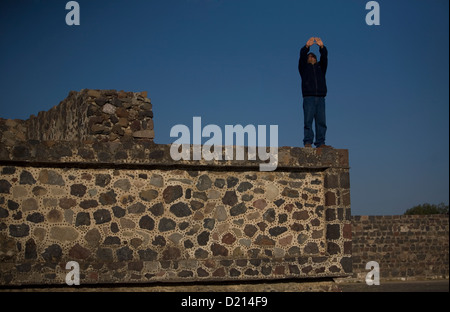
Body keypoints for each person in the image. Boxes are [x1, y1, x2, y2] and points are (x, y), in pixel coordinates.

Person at [298, 37, 332, 148]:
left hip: (321, 97)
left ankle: (321, 143)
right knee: (308, 121)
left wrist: (322, 47)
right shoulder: (304, 68)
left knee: (321, 121)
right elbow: (302, 56)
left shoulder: (321, 68)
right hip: (308, 97)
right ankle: (308, 142)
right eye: (309, 56)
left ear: (316, 59)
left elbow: (325, 57)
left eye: (313, 56)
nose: (311, 57)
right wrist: (307, 47)